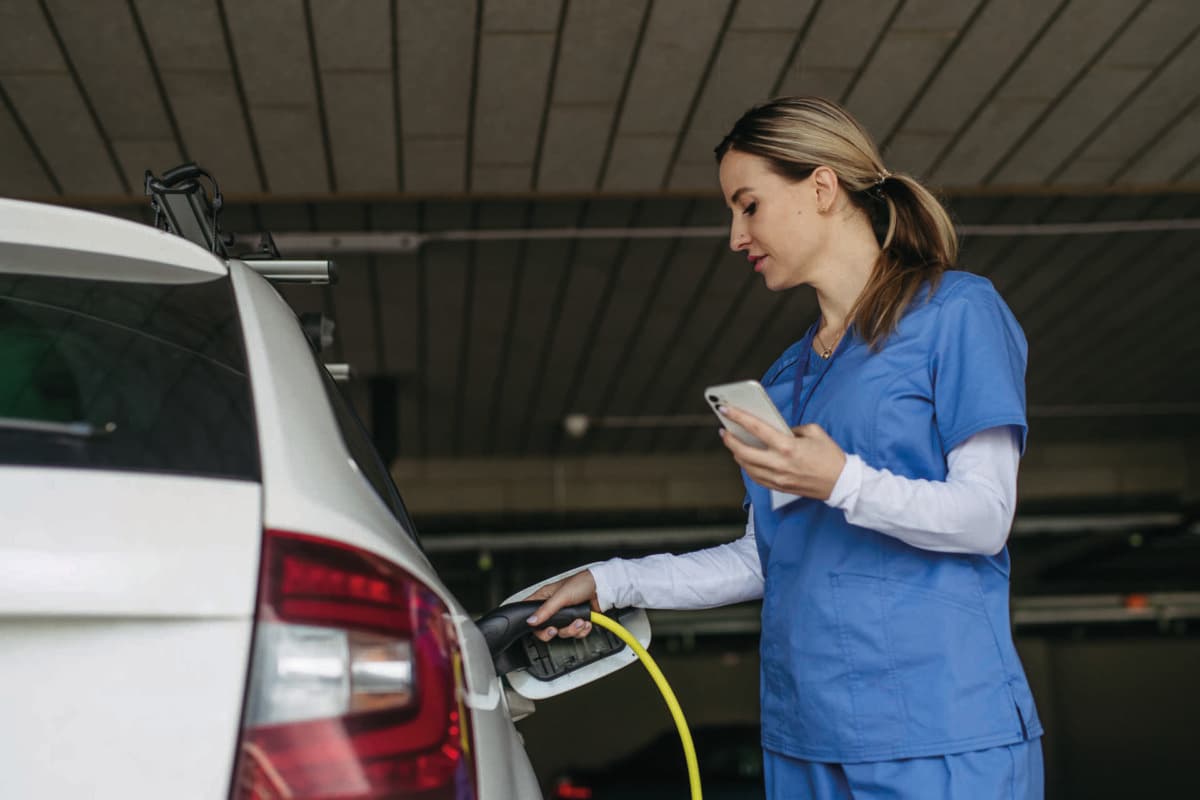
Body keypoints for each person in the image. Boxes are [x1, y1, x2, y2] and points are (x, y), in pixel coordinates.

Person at [524, 96, 1043, 800]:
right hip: (803, 739)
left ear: (822, 188)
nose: (737, 236)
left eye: (749, 206)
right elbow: (764, 558)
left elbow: (985, 517)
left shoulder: (957, 312)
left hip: (938, 732)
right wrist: (610, 580)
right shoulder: (780, 380)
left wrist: (840, 480)